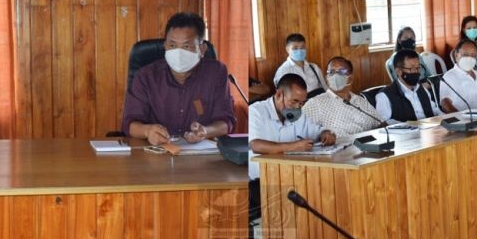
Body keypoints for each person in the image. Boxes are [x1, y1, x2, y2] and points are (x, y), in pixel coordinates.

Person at [122, 12, 235, 145]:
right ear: (165, 46)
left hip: (202, 156)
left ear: (202, 49)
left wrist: (205, 131)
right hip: (156, 154)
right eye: (172, 46)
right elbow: (130, 123)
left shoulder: (216, 73)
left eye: (187, 46)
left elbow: (226, 121)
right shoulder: (146, 76)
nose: (179, 53)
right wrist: (148, 131)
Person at [248, 74, 336, 180]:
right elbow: (256, 145)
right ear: (279, 95)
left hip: (292, 176)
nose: (297, 107)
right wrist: (294, 146)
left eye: (301, 103)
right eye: (294, 101)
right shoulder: (255, 111)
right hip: (262, 180)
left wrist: (326, 134)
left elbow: (317, 131)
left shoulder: (298, 115)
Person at [303, 57, 382, 139]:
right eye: (331, 72)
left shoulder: (361, 101)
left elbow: (381, 123)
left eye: (341, 72)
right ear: (326, 78)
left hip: (369, 147)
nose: (335, 76)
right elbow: (299, 131)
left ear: (350, 77)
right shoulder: (316, 103)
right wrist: (321, 135)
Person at [375, 49, 440, 124]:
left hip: (429, 131)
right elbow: (384, 122)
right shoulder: (384, 96)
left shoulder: (422, 90)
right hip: (404, 134)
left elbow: (434, 110)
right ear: (398, 71)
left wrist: (446, 118)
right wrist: (413, 125)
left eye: (418, 68)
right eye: (411, 68)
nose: (415, 72)